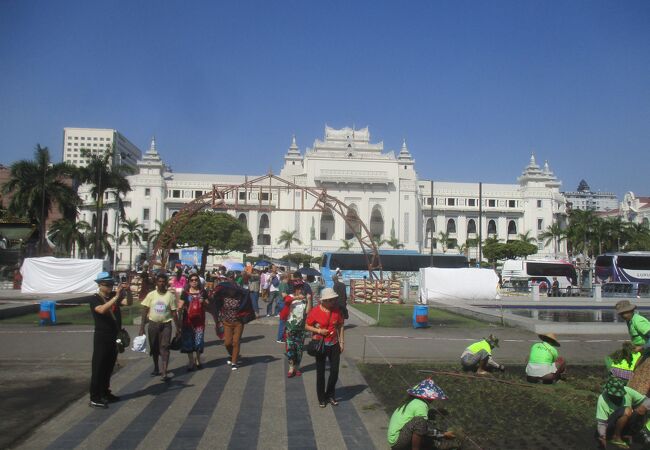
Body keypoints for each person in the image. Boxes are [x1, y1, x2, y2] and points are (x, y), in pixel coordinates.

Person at [88, 271, 133, 408]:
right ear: (100, 285)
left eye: (111, 284)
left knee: (109, 366)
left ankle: (105, 392)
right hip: (102, 336)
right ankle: (95, 396)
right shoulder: (95, 298)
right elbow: (101, 310)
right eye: (107, 284)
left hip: (114, 335)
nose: (110, 287)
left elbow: (128, 302)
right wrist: (116, 297)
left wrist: (128, 291)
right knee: (99, 366)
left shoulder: (114, 296)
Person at [387, 378, 459, 450]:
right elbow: (423, 429)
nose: (433, 399)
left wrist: (441, 434)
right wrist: (442, 434)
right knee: (420, 421)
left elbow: (423, 430)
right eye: (433, 397)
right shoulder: (421, 405)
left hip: (395, 438)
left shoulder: (413, 401)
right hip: (398, 442)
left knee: (422, 424)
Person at [305, 287, 345, 408]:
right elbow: (306, 326)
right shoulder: (315, 311)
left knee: (334, 371)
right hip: (320, 344)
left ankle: (330, 395)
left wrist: (342, 342)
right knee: (320, 372)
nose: (333, 302)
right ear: (324, 301)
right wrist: (318, 330)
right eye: (330, 300)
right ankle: (321, 397)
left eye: (334, 299)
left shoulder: (337, 311)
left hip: (334, 344)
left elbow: (341, 325)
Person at [139, 271, 181, 381]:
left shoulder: (170, 296)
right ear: (156, 283)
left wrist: (178, 327)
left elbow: (173, 312)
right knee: (154, 347)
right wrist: (142, 327)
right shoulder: (151, 295)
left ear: (166, 283)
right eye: (159, 281)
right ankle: (156, 367)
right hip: (153, 324)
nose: (161, 283)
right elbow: (145, 310)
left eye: (163, 281)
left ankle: (164, 370)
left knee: (165, 347)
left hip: (166, 325)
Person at [596, 377, 650, 449]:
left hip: (624, 425)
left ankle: (629, 435)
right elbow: (601, 423)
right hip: (609, 427)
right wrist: (602, 438)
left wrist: (644, 406)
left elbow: (647, 400)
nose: (618, 397)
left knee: (640, 410)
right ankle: (616, 437)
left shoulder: (627, 391)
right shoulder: (602, 399)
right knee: (627, 410)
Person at [212, 273, 249, 370]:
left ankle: (234, 362)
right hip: (227, 322)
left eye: (233, 289)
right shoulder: (223, 297)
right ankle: (232, 355)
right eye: (230, 289)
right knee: (227, 343)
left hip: (238, 322)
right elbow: (216, 302)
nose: (232, 291)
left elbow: (246, 296)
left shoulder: (240, 297)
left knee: (236, 342)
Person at [617, 300, 650, 396]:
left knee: (642, 377)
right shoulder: (630, 321)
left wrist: (642, 347)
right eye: (621, 314)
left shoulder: (638, 321)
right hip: (644, 352)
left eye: (624, 313)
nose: (623, 315)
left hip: (647, 352)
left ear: (631, 311)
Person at [179, 273, 209, 371]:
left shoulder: (203, 292)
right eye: (192, 280)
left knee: (199, 340)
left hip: (199, 321)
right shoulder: (185, 293)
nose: (194, 281)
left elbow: (208, 304)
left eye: (196, 280)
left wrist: (203, 301)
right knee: (188, 341)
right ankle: (191, 361)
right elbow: (180, 305)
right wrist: (178, 312)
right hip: (188, 321)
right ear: (189, 281)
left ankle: (198, 359)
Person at [282, 278, 311, 378]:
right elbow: (286, 300)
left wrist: (309, 300)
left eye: (301, 288)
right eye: (297, 288)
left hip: (301, 328)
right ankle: (291, 368)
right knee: (290, 349)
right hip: (290, 327)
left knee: (299, 350)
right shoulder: (290, 297)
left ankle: (297, 368)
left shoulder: (304, 299)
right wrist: (298, 297)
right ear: (294, 289)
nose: (299, 289)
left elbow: (307, 312)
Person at [275, 273, 290, 343]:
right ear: (286, 277)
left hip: (281, 302)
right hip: (283, 303)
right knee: (283, 321)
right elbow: (284, 295)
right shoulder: (284, 284)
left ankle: (282, 337)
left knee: (283, 321)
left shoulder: (281, 283)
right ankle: (280, 338)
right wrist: (291, 297)